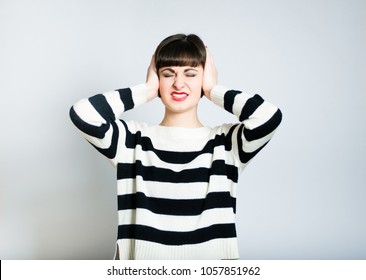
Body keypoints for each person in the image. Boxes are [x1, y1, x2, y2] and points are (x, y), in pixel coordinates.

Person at [69, 34, 282, 260]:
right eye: (168, 74)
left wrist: (212, 89)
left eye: (191, 74)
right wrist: (148, 89)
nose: (179, 83)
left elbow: (268, 117)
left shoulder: (226, 143)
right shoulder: (131, 140)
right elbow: (83, 114)